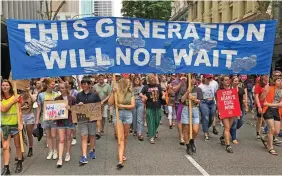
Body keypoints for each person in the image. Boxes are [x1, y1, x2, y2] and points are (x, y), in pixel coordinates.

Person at [108, 78, 135, 169]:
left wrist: (122, 105)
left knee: (125, 136)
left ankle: (122, 153)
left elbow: (132, 106)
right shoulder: (116, 92)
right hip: (118, 114)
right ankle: (120, 160)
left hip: (127, 115)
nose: (130, 84)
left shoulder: (130, 93)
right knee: (120, 137)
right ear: (124, 83)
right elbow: (109, 103)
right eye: (128, 83)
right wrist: (112, 92)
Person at [76, 77, 101, 166]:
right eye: (82, 84)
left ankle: (91, 150)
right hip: (82, 119)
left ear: (89, 85)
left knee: (92, 136)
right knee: (84, 136)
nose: (83, 85)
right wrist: (78, 105)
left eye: (85, 84)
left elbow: (99, 105)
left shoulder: (94, 95)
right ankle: (84, 156)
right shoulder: (79, 95)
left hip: (92, 119)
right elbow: (76, 108)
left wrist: (97, 115)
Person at [1, 79, 23, 175]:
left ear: (10, 86)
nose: (5, 87)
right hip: (5, 126)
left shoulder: (17, 97)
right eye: (3, 85)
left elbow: (20, 111)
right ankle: (6, 167)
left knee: (18, 145)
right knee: (5, 147)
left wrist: (20, 123)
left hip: (15, 125)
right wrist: (12, 101)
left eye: (7, 85)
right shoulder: (1, 98)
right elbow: (3, 109)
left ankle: (19, 162)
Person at [36, 78, 59, 160]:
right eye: (53, 84)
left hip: (55, 118)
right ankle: (50, 151)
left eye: (54, 84)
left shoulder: (57, 94)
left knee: (54, 135)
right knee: (48, 136)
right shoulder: (41, 95)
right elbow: (39, 108)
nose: (54, 85)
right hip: (45, 118)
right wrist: (37, 120)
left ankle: (55, 151)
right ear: (48, 85)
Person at [54, 83, 76, 167]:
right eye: (60, 88)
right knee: (61, 139)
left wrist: (70, 108)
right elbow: (54, 111)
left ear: (67, 89)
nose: (61, 89)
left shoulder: (72, 99)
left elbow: (76, 110)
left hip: (69, 120)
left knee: (68, 137)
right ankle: (60, 158)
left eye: (63, 88)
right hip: (60, 121)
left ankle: (67, 153)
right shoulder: (57, 99)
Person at [181, 75, 202, 155]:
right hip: (186, 109)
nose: (193, 80)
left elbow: (200, 101)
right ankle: (188, 146)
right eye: (191, 78)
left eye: (194, 78)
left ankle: (192, 141)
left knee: (195, 130)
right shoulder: (183, 88)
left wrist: (193, 99)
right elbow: (182, 100)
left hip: (195, 109)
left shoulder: (198, 89)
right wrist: (187, 93)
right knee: (186, 129)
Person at [260, 76, 282, 155]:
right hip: (268, 110)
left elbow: (281, 104)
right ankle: (270, 147)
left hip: (277, 110)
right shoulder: (269, 88)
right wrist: (265, 91)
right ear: (275, 82)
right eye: (279, 80)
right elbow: (262, 99)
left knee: (276, 131)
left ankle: (264, 138)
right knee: (271, 129)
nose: (281, 82)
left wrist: (269, 104)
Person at [140, 74, 164, 144]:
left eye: (153, 78)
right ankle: (151, 136)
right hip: (149, 106)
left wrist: (164, 96)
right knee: (150, 121)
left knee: (157, 120)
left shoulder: (158, 86)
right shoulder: (146, 87)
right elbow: (140, 93)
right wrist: (143, 96)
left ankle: (153, 131)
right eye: (150, 79)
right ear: (148, 80)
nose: (152, 80)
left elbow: (163, 93)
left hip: (158, 106)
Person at [217, 76, 236, 153]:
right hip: (224, 110)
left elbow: (235, 99)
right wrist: (219, 111)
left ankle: (222, 137)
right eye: (225, 80)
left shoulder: (232, 89)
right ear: (222, 82)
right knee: (227, 127)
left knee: (228, 127)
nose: (228, 81)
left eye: (228, 80)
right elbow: (218, 102)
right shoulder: (219, 91)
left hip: (232, 109)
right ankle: (228, 145)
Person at [230, 77, 248, 144]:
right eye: (235, 81)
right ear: (232, 82)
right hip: (233, 108)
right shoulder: (229, 90)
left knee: (241, 122)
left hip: (240, 108)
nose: (237, 82)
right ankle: (234, 138)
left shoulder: (241, 90)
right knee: (235, 123)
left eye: (237, 81)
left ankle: (230, 130)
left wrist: (246, 107)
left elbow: (244, 99)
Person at [198, 74, 217, 141]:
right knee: (205, 117)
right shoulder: (200, 86)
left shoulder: (213, 85)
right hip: (204, 102)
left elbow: (215, 94)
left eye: (210, 78)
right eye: (208, 78)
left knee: (212, 117)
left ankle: (206, 128)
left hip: (212, 102)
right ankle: (206, 133)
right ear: (204, 78)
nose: (209, 79)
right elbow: (199, 97)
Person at [21, 84, 36, 157]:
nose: (25, 93)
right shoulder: (19, 97)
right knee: (21, 135)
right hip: (22, 116)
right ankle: (21, 151)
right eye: (24, 91)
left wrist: (29, 91)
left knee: (29, 134)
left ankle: (30, 149)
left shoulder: (30, 97)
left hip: (30, 116)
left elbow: (34, 100)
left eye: (26, 91)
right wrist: (22, 108)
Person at [171, 74, 187, 145]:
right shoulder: (175, 81)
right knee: (179, 120)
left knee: (185, 120)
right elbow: (175, 90)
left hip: (187, 103)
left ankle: (183, 133)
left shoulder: (187, 80)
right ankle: (181, 136)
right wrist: (181, 81)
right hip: (178, 102)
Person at [254, 75, 269, 139]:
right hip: (260, 104)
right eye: (265, 78)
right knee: (259, 119)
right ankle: (258, 132)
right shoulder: (258, 86)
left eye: (267, 78)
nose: (267, 79)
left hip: (268, 105)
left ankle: (269, 133)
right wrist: (259, 106)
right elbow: (257, 97)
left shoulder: (270, 85)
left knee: (268, 119)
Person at [132, 76, 145, 140]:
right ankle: (135, 129)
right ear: (133, 81)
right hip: (133, 103)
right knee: (134, 117)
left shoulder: (143, 87)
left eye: (138, 80)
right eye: (135, 80)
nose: (137, 81)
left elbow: (145, 94)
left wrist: (143, 97)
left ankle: (139, 133)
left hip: (140, 103)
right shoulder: (131, 87)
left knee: (139, 118)